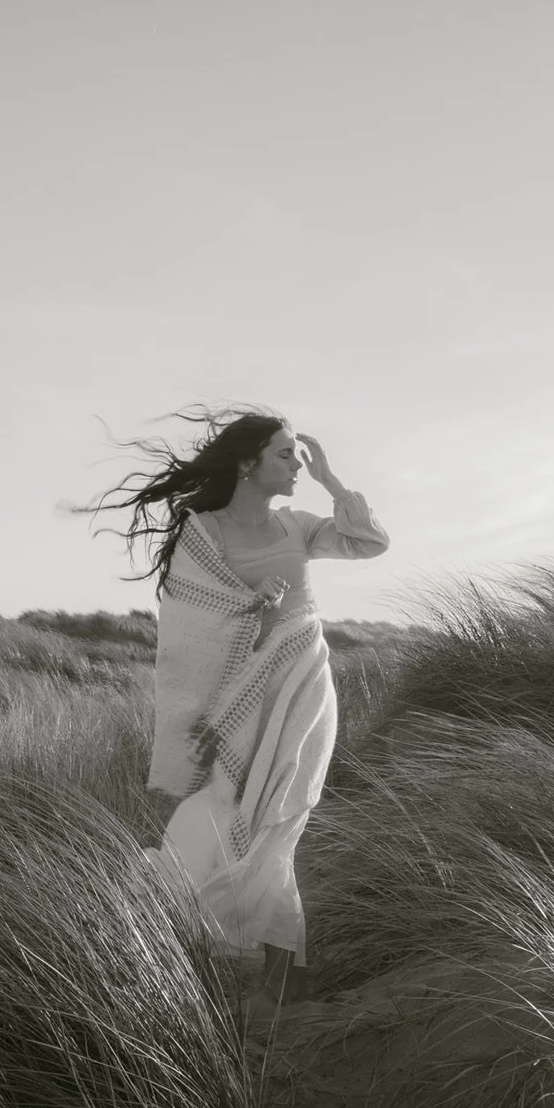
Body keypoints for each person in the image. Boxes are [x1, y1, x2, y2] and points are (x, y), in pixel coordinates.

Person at [86, 408, 388, 1024]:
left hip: (304, 687)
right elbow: (193, 625)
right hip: (239, 693)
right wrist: (257, 611)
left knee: (282, 818)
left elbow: (369, 543)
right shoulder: (204, 531)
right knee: (223, 812)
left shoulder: (300, 525)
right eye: (285, 455)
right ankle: (179, 932)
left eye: (298, 457)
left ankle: (281, 984)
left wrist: (331, 479)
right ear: (247, 463)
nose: (296, 466)